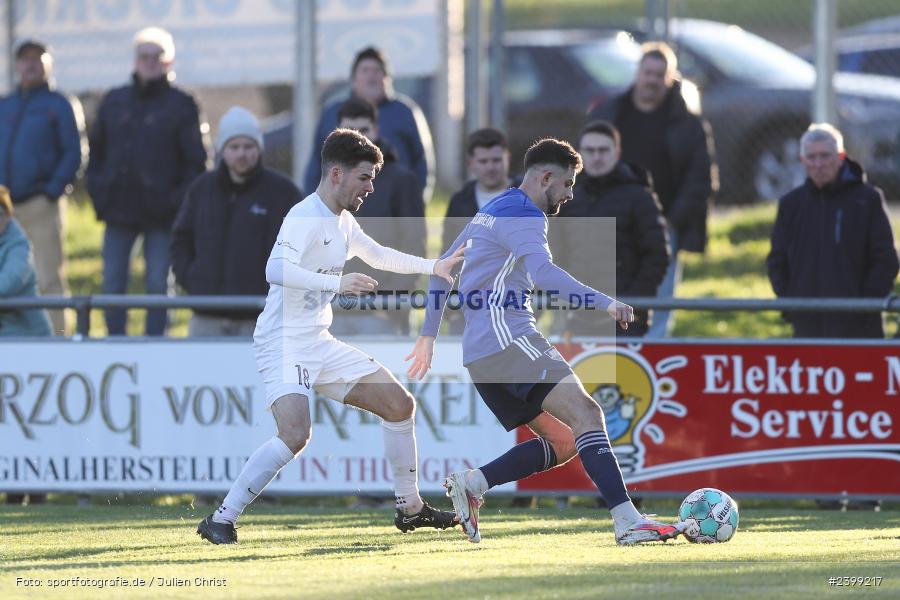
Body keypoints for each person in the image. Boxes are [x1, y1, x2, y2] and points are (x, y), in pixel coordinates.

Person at [405, 138, 683, 546]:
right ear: (546, 177)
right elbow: (546, 274)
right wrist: (606, 302)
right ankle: (627, 520)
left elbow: (440, 270)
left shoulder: (492, 208)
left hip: (482, 353)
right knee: (588, 413)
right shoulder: (526, 216)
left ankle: (473, 483)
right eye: (568, 184)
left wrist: (429, 333)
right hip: (510, 340)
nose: (570, 195)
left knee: (564, 439)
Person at [196, 129, 464, 545]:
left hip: (317, 342)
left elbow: (377, 254)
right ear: (336, 173)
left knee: (399, 404)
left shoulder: (343, 220)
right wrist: (337, 284)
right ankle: (221, 518)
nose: (371, 187)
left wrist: (435, 266)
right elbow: (275, 271)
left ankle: (410, 509)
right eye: (365, 177)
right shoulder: (304, 217)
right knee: (295, 434)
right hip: (283, 343)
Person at [587, 42, 716, 337]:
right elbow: (585, 163)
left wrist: (672, 220)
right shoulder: (609, 113)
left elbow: (701, 178)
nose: (652, 80)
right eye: (648, 72)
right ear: (637, 73)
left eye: (660, 74)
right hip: (612, 222)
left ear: (670, 78)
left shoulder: (687, 122)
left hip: (662, 224)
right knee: (603, 294)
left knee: (659, 300)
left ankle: (653, 362)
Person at [86, 27, 209, 336]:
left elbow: (196, 162)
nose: (150, 62)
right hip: (118, 208)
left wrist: (175, 201)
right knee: (113, 282)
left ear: (169, 62)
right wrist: (101, 192)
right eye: (144, 56)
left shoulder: (183, 104)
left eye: (158, 56)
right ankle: (115, 344)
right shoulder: (114, 101)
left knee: (158, 282)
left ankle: (156, 346)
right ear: (135, 60)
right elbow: (95, 152)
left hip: (163, 212)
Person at [171, 106, 302, 336]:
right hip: (206, 317)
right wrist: (193, 280)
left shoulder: (283, 193)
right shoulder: (201, 190)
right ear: (223, 149)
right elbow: (181, 239)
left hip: (260, 319)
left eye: (248, 146)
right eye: (234, 147)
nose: (242, 154)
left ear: (259, 148)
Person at [767, 123, 899, 338]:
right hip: (807, 327)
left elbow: (885, 260)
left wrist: (864, 307)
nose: (818, 163)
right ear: (802, 161)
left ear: (841, 157)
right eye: (811, 157)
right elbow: (777, 261)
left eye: (825, 156)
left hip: (861, 329)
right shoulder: (790, 205)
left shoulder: (867, 200)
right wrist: (792, 304)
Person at [553, 121, 669, 337]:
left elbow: (657, 255)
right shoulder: (566, 197)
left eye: (603, 150)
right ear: (579, 155)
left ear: (616, 153)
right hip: (575, 315)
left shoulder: (639, 196)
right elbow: (555, 253)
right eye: (590, 150)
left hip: (625, 320)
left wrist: (631, 302)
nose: (596, 157)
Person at [0, 39, 84, 335]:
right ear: (17, 65)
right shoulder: (5, 104)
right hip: (4, 210)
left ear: (48, 64)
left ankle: (56, 346)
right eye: (25, 59)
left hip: (39, 203)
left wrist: (52, 190)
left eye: (38, 58)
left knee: (47, 278)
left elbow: (73, 151)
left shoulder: (59, 104)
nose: (31, 64)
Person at [329, 97, 425, 336]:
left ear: (377, 130)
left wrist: (391, 303)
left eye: (363, 130)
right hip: (332, 311)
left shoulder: (403, 181)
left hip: (381, 314)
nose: (357, 140)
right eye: (350, 132)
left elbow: (414, 245)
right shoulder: (326, 183)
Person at [303, 47, 434, 199]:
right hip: (343, 204)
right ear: (353, 79)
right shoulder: (332, 112)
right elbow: (316, 164)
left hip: (392, 208)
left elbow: (422, 164)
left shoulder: (405, 112)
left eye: (377, 71)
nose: (371, 77)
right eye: (365, 70)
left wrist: (415, 202)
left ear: (387, 78)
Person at [1, 185, 52, 505]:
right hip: (5, 349)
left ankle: (36, 492)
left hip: (30, 347)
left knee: (30, 422)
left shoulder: (19, 244)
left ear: (6, 213)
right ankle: (13, 488)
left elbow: (7, 283)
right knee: (8, 422)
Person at [442, 128, 517, 334]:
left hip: (516, 309)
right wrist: (451, 308)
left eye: (496, 160)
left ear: (507, 159)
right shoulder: (460, 202)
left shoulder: (528, 198)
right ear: (471, 163)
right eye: (483, 162)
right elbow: (449, 255)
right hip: (468, 310)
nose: (490, 167)